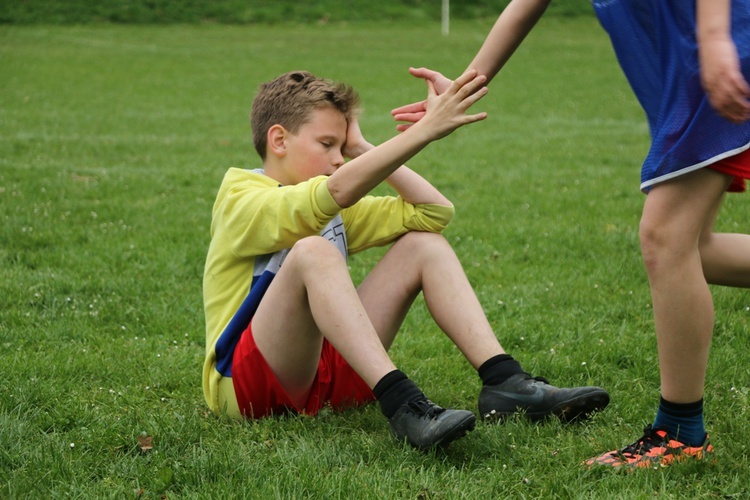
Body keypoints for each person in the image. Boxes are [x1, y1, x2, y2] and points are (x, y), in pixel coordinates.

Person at [392, 0, 750, 467]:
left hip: (718, 59)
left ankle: (679, 433)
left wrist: (717, 35)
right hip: (688, 76)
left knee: (665, 239)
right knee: (694, 250)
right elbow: (526, 6)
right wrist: (460, 88)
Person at [202, 69, 610, 451]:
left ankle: (505, 381)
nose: (340, 159)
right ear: (278, 140)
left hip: (327, 376)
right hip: (247, 387)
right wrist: (424, 133)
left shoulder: (334, 199)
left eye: (344, 148)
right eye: (328, 145)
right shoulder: (240, 197)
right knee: (313, 251)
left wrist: (364, 146)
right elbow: (334, 194)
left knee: (423, 245)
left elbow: (433, 213)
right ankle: (403, 403)